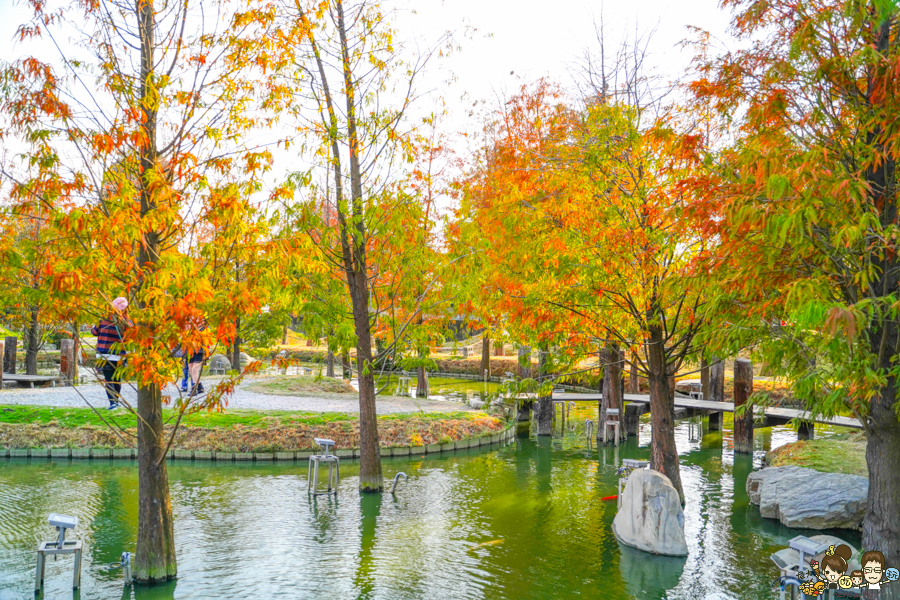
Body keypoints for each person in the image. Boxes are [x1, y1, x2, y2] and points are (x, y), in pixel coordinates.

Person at [91, 297, 130, 409]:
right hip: (119, 355)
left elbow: (94, 332)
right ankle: (116, 401)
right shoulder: (127, 322)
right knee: (117, 379)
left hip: (104, 354)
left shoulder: (103, 320)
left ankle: (113, 403)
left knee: (108, 379)